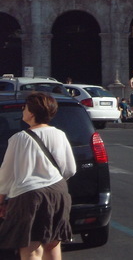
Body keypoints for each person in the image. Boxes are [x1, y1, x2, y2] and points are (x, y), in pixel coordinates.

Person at [0, 92, 77, 259]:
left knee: (32, 248)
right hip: (58, 192)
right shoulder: (60, 134)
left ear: (32, 113)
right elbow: (70, 169)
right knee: (52, 244)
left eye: (25, 107)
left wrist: (1, 199)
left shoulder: (19, 138)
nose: (23, 110)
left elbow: (6, 174)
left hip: (29, 197)